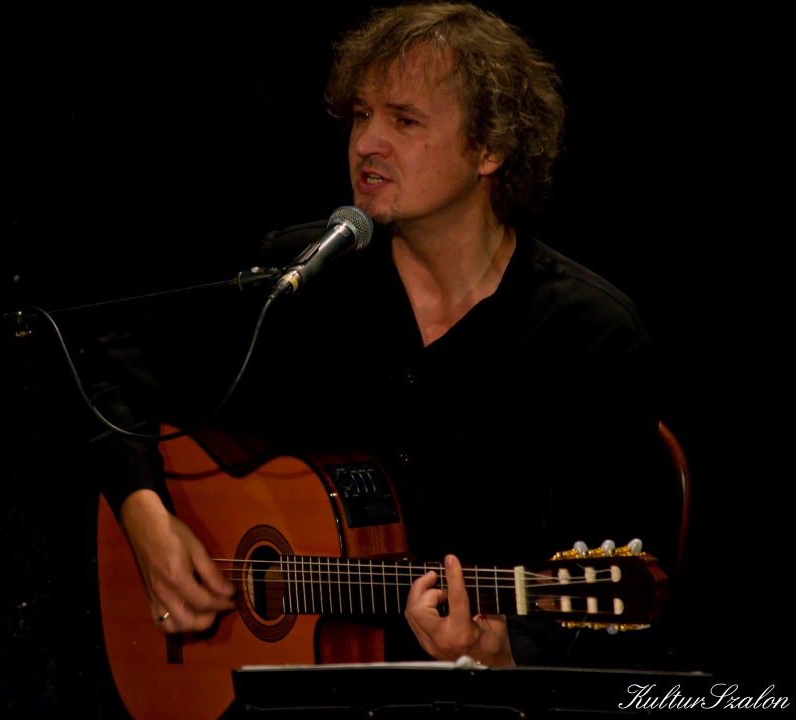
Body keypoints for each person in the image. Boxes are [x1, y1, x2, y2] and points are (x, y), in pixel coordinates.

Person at [96, 0, 671, 672]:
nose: (367, 142)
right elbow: (107, 368)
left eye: (404, 120)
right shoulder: (304, 281)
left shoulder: (586, 334)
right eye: (362, 115)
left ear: (490, 149)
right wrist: (145, 518)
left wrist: (507, 655)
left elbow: (622, 620)